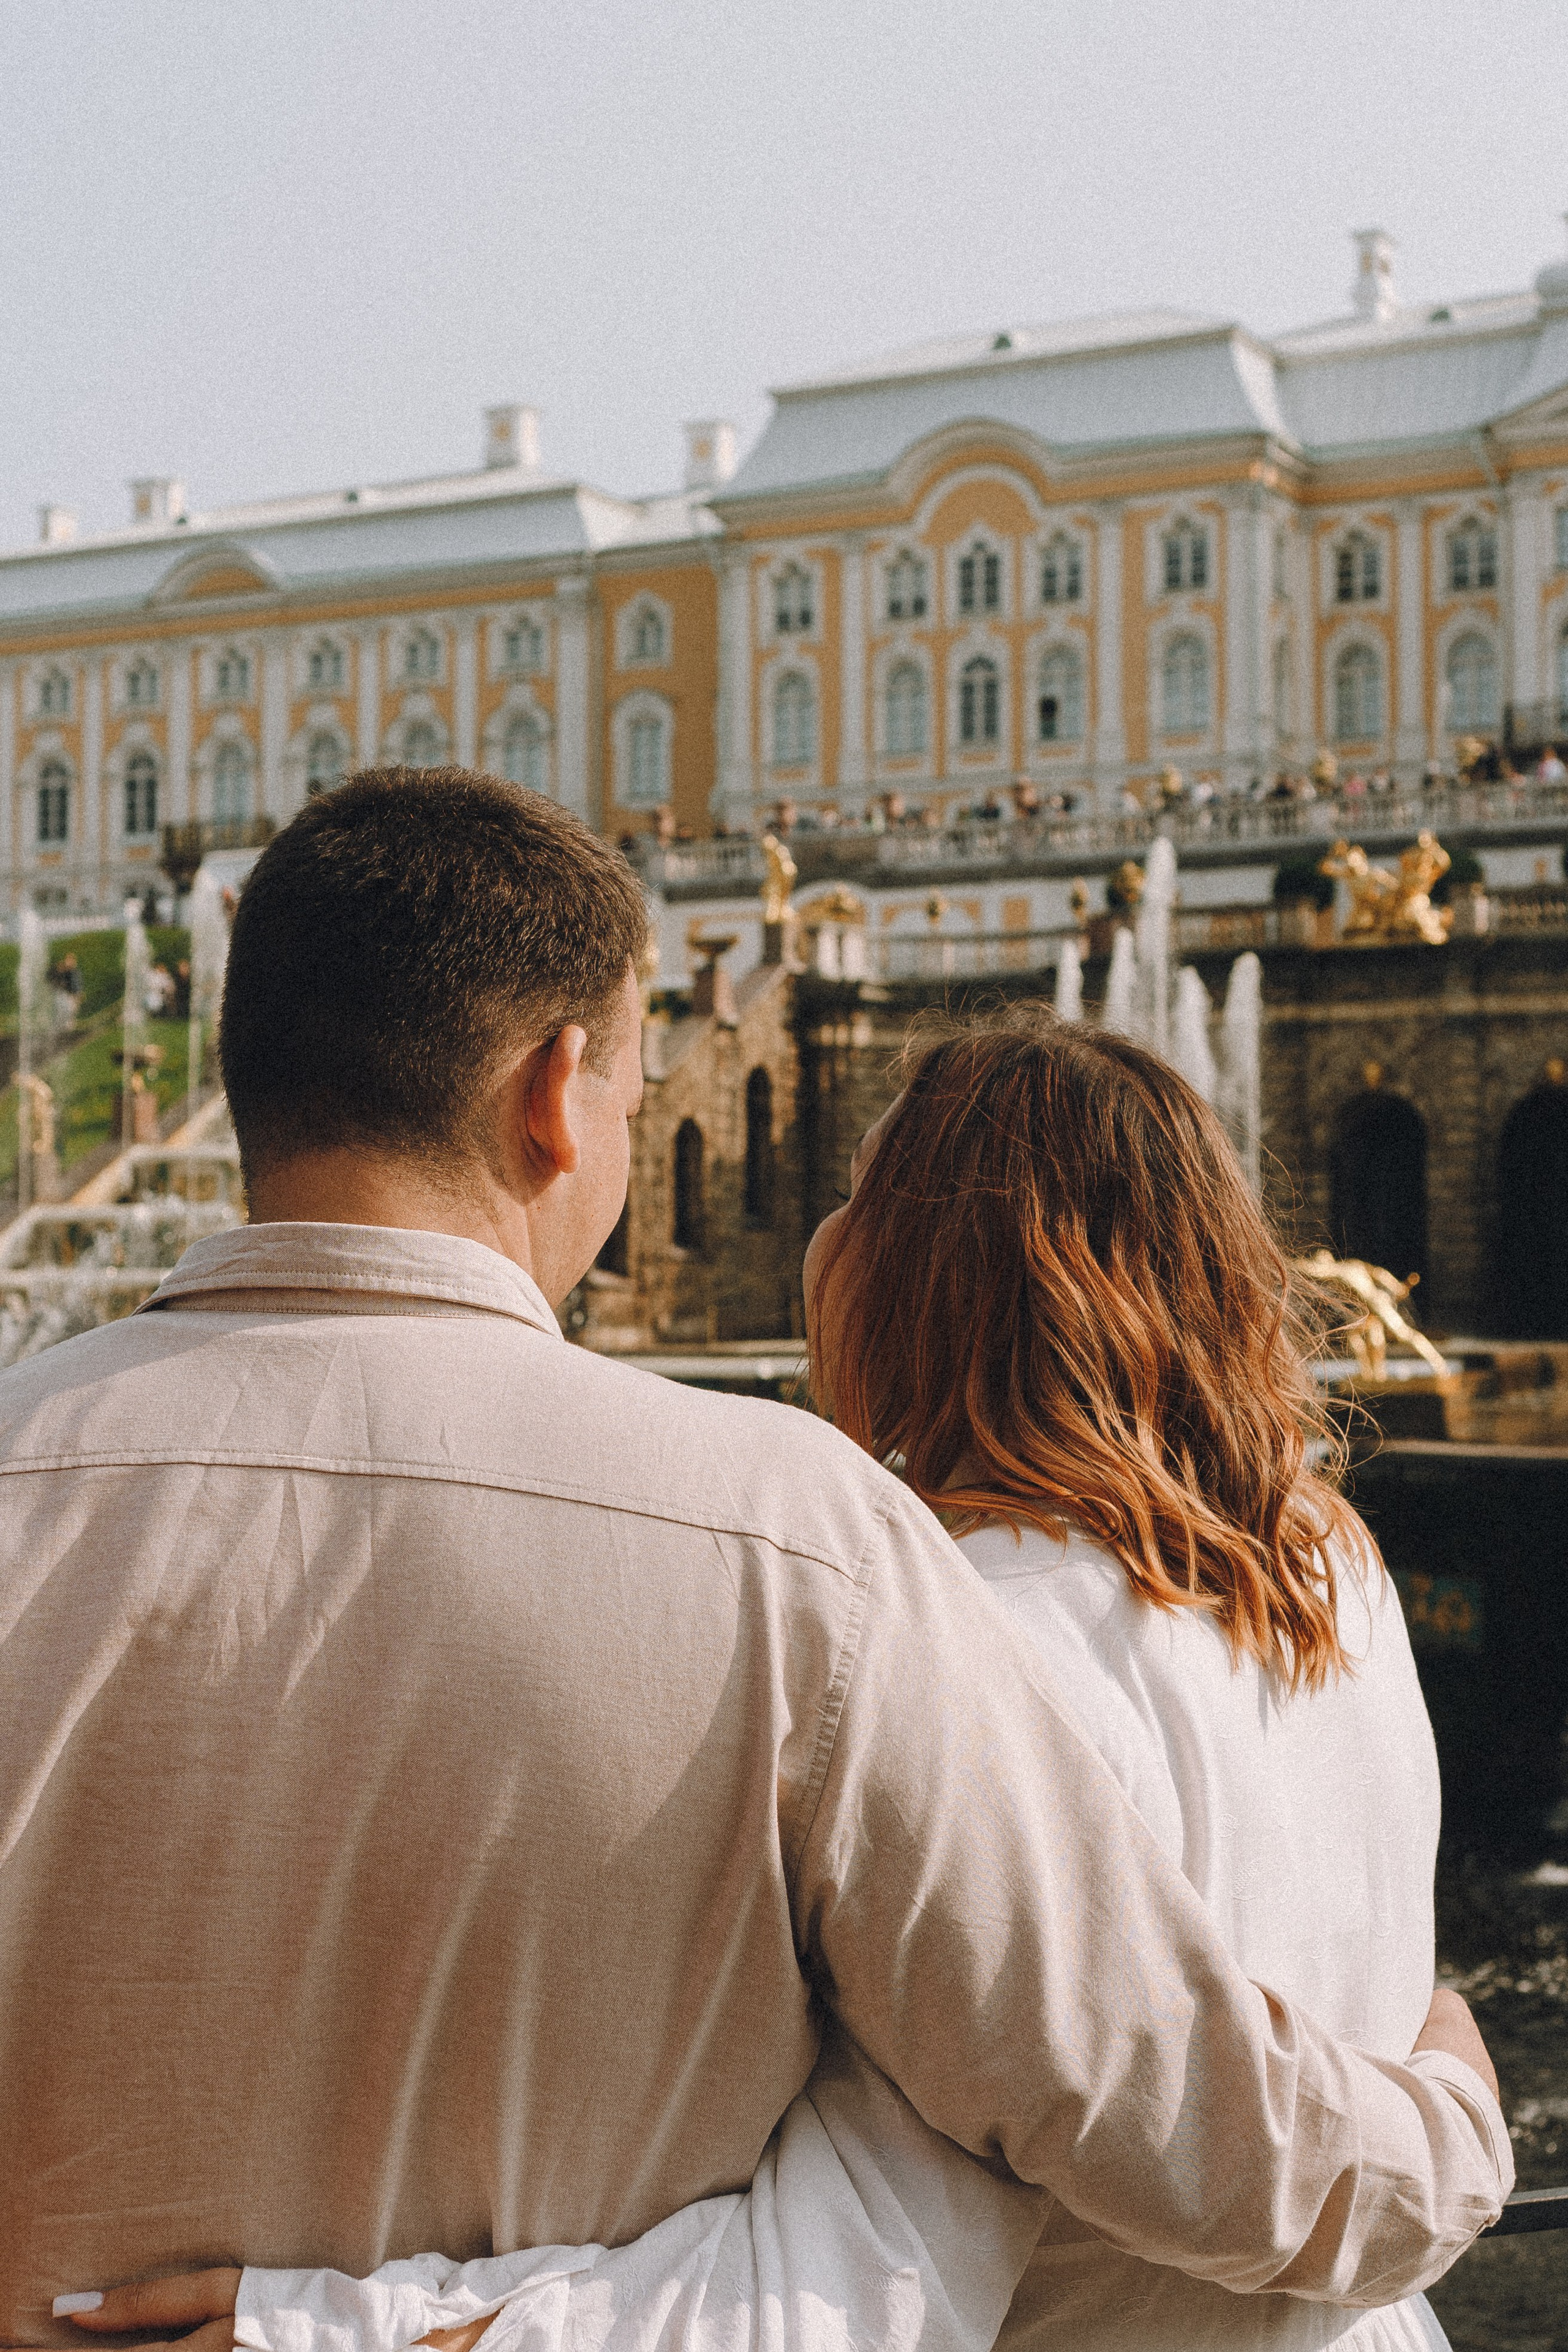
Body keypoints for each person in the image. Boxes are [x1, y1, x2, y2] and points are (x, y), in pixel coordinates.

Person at [4, 772, 1505, 2347]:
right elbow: (1087, 2154)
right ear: (556, 1089)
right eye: (641, 1105)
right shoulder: (814, 1548)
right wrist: (1456, 2127)